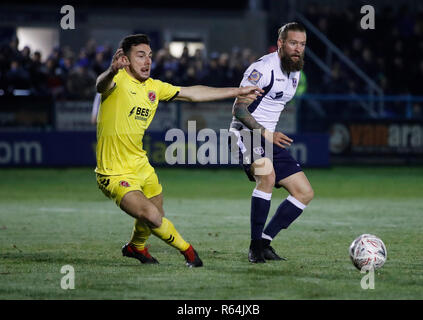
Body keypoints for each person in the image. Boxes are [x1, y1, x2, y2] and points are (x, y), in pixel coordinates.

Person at [95, 34, 262, 268]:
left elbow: (194, 92)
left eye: (150, 56)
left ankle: (136, 247)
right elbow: (100, 85)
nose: (147, 62)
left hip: (140, 165)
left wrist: (237, 91)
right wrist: (112, 71)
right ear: (125, 59)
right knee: (152, 217)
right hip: (113, 172)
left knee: (156, 214)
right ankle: (189, 252)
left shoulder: (154, 87)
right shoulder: (117, 80)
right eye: (140, 56)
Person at [229, 22, 314, 263]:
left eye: (302, 44)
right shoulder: (263, 68)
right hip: (245, 133)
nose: (298, 49)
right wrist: (267, 134)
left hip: (268, 137)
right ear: (280, 43)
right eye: (293, 43)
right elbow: (239, 110)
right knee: (267, 176)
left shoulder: (295, 72)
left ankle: (265, 242)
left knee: (304, 192)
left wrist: (269, 135)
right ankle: (255, 247)